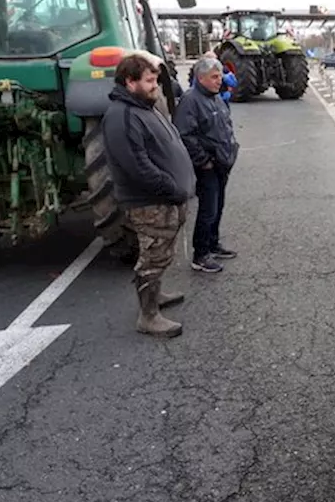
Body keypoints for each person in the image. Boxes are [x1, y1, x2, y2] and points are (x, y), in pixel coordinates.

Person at [101, 53, 196, 339]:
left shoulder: (142, 106)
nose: (155, 86)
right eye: (150, 81)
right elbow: (138, 167)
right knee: (152, 256)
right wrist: (171, 187)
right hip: (150, 202)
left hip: (165, 198)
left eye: (155, 80)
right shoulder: (122, 116)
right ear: (130, 82)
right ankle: (148, 315)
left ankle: (156, 295)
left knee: (160, 252)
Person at [174, 56, 240, 273]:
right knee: (208, 210)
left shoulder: (216, 99)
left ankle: (213, 243)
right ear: (201, 78)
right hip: (208, 167)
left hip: (222, 164)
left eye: (220, 76)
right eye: (214, 77)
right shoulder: (191, 101)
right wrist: (204, 161)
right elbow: (185, 135)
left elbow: (225, 126)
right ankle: (200, 254)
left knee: (218, 206)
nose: (219, 80)